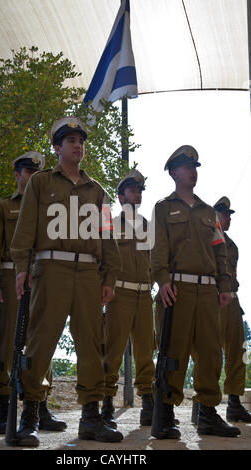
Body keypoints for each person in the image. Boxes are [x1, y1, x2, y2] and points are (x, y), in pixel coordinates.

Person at [10, 116, 123, 447]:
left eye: (81, 141)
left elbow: (107, 238)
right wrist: (21, 269)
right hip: (51, 269)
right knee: (41, 340)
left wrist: (110, 277)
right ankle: (29, 415)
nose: (78, 145)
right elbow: (25, 230)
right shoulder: (41, 183)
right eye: (70, 140)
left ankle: (91, 417)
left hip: (89, 272)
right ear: (57, 148)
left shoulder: (98, 191)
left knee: (91, 343)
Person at [151, 145, 240, 439]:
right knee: (174, 351)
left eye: (195, 167)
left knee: (211, 353)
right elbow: (158, 249)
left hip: (208, 291)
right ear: (174, 172)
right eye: (188, 167)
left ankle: (207, 412)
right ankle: (165, 412)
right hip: (178, 289)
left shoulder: (207, 212)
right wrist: (162, 281)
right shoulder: (164, 208)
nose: (193, 171)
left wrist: (225, 285)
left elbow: (221, 251)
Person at [0, 151, 63, 434]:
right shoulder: (3, 207)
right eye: (28, 172)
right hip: (8, 277)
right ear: (17, 174)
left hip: (41, 275)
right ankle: (4, 409)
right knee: (8, 344)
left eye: (36, 173)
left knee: (41, 341)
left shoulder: (47, 208)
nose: (32, 178)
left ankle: (39, 406)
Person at [102, 170, 155, 428]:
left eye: (140, 190)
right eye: (132, 190)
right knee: (112, 350)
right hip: (119, 294)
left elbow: (157, 262)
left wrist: (150, 284)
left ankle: (148, 403)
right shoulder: (111, 226)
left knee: (146, 351)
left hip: (145, 295)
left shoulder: (149, 227)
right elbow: (105, 262)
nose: (137, 194)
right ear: (121, 195)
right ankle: (107, 402)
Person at [214, 196, 251, 422]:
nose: (229, 219)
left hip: (233, 302)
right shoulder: (207, 240)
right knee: (209, 354)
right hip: (214, 301)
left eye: (229, 215)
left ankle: (234, 403)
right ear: (215, 215)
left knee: (239, 352)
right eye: (226, 214)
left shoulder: (232, 245)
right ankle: (203, 404)